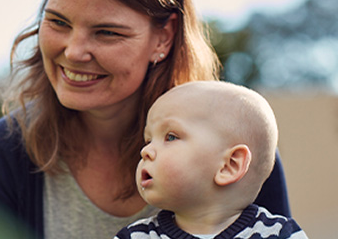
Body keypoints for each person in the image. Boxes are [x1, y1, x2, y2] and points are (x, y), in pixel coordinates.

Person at [0, 0, 291, 238]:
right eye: (58, 22)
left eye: (106, 32)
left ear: (164, 37)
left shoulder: (237, 144)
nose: (74, 51)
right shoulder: (5, 149)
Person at [114, 81, 308, 239]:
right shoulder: (136, 236)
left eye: (171, 137)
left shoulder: (280, 235)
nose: (146, 151)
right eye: (148, 140)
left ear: (229, 165)